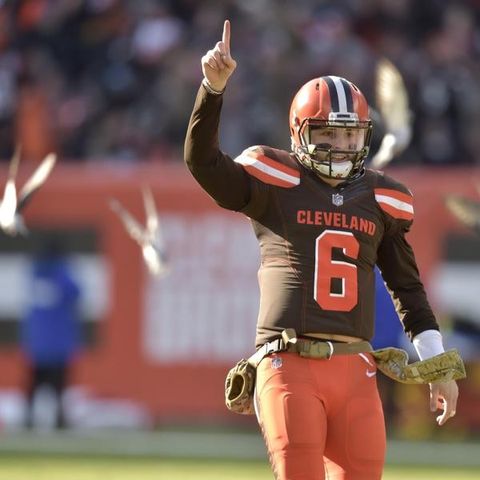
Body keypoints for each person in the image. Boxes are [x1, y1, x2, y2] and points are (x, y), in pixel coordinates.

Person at [184, 20, 459, 480]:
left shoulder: (380, 198)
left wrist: (437, 365)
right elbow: (204, 163)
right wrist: (212, 91)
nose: (340, 146)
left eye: (350, 136)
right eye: (328, 134)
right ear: (300, 133)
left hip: (357, 367)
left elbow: (408, 290)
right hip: (288, 362)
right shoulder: (276, 181)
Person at [21, 236, 81, 429]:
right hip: (58, 343)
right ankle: (59, 420)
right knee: (58, 387)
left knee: (34, 385)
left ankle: (29, 420)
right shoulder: (62, 274)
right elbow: (76, 293)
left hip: (37, 342)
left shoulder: (34, 273)